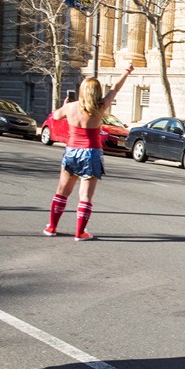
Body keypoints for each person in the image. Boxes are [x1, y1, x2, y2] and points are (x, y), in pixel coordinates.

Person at [43, 62, 134, 240]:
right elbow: (115, 88)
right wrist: (126, 71)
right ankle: (80, 232)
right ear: (97, 92)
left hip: (72, 152)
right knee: (85, 195)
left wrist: (65, 105)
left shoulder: (70, 107)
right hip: (91, 153)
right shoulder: (100, 107)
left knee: (62, 191)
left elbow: (54, 116)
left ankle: (52, 227)